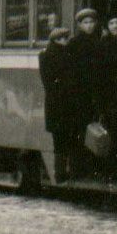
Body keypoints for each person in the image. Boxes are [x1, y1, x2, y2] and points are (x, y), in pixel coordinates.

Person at [66, 7, 103, 176]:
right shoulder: (74, 43)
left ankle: (92, 166)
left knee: (94, 129)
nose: (89, 26)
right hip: (79, 93)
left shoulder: (99, 42)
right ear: (80, 25)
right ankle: (79, 167)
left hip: (94, 92)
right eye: (85, 22)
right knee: (80, 130)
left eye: (91, 22)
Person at [39, 27, 80, 179]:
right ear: (55, 40)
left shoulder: (67, 54)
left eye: (65, 38)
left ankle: (65, 173)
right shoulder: (47, 55)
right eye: (61, 39)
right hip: (58, 105)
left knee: (65, 140)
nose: (64, 41)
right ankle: (61, 174)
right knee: (61, 141)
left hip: (64, 104)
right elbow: (48, 82)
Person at [96, 15, 117, 172]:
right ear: (107, 26)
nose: (115, 26)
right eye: (112, 23)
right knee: (112, 132)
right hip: (110, 94)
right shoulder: (105, 44)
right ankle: (110, 169)